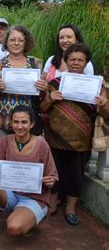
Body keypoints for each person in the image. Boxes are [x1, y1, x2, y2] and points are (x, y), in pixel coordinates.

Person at [40, 43, 108, 226]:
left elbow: (107, 112)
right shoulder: (54, 83)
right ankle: (52, 204)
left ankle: (70, 208)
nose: (76, 63)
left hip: (81, 138)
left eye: (80, 60)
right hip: (55, 136)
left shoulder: (97, 84)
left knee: (76, 175)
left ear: (86, 63)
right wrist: (50, 99)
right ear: (66, 60)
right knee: (55, 172)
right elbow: (42, 108)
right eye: (72, 59)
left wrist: (102, 104)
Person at [0, 106, 58, 239]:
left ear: (32, 124)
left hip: (33, 198)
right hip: (11, 193)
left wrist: (51, 180)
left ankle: (28, 218)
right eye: (16, 122)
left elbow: (52, 175)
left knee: (14, 228)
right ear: (11, 123)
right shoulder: (5, 141)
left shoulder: (42, 145)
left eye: (24, 122)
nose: (19, 126)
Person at [0, 25, 47, 141]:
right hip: (3, 120)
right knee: (3, 155)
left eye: (21, 40)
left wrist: (43, 88)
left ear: (26, 43)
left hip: (27, 122)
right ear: (6, 42)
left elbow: (39, 94)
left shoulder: (35, 64)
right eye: (12, 40)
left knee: (27, 156)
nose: (16, 43)